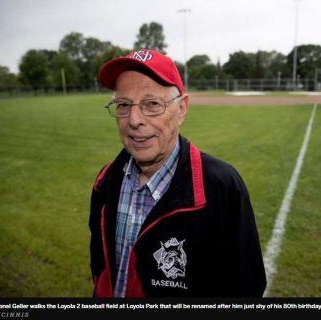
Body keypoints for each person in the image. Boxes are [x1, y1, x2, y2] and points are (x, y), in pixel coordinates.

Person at [89, 49, 267, 297]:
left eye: (152, 104)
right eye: (123, 105)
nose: (134, 119)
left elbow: (246, 287)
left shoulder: (221, 186)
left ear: (181, 109)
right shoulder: (105, 182)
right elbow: (101, 269)